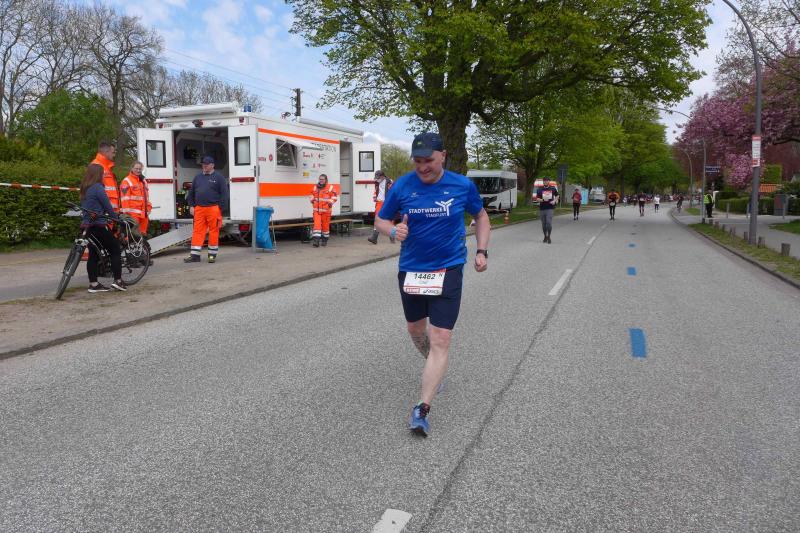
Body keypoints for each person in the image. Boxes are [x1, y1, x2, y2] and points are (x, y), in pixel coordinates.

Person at [373, 131, 490, 437]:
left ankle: (422, 409)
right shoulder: (402, 186)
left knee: (440, 338)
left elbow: (481, 216)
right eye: (417, 161)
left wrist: (481, 250)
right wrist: (392, 231)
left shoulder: (462, 186)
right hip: (412, 269)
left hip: (448, 268)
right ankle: (434, 367)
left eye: (428, 160)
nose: (422, 167)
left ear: (443, 156)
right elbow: (380, 220)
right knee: (415, 330)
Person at [79, 164, 126, 292]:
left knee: (93, 254)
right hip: (98, 226)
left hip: (86, 226)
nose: (104, 176)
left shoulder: (84, 188)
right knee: (115, 250)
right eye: (103, 174)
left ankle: (94, 284)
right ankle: (118, 281)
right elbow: (107, 206)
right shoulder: (98, 187)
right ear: (98, 175)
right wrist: (116, 219)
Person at [184, 156, 229, 263]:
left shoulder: (219, 178)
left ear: (212, 165)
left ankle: (212, 255)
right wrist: (191, 206)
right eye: (203, 164)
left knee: (213, 231)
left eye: (207, 164)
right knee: (197, 231)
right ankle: (195, 255)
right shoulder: (197, 177)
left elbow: (224, 194)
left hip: (213, 208)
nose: (204, 166)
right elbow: (191, 193)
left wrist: (220, 209)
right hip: (199, 209)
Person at [120, 161, 152, 235]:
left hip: (144, 215)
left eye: (140, 169)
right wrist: (127, 215)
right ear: (132, 168)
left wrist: (149, 207)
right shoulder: (126, 181)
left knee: (142, 235)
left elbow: (146, 198)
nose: (138, 170)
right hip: (133, 215)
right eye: (136, 168)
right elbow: (125, 199)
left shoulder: (143, 181)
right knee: (133, 236)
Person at [90, 141, 120, 213]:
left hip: (109, 212)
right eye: (113, 152)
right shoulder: (96, 166)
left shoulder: (106, 167)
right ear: (106, 152)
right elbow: (93, 192)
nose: (114, 155)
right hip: (102, 212)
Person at [309, 173, 338, 247]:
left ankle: (325, 240)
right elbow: (311, 194)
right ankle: (316, 241)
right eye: (320, 179)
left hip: (326, 211)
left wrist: (329, 204)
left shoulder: (331, 187)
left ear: (326, 180)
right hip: (317, 211)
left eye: (322, 179)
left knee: (325, 227)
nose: (321, 180)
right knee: (317, 226)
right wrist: (312, 200)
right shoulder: (315, 187)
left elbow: (334, 197)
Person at [367, 169, 393, 244]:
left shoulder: (390, 181)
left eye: (378, 178)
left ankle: (392, 235)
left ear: (382, 176)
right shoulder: (377, 182)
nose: (377, 179)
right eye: (376, 178)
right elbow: (376, 190)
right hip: (379, 202)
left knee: (389, 220)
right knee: (377, 218)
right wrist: (375, 196)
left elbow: (394, 191)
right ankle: (374, 237)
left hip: (388, 202)